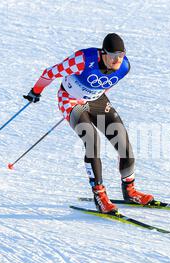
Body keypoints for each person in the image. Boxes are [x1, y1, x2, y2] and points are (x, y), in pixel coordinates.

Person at [23, 33, 154, 214]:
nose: (117, 60)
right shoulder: (82, 60)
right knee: (92, 140)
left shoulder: (124, 67)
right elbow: (50, 73)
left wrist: (92, 96)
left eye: (121, 55)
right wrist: (36, 91)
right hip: (70, 101)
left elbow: (107, 84)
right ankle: (99, 195)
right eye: (113, 55)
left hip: (96, 100)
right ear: (102, 53)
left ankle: (130, 191)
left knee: (122, 141)